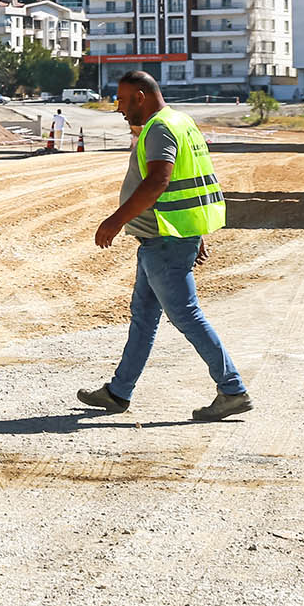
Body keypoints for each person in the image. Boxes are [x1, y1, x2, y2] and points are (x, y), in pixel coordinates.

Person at [76, 70, 252, 422]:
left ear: (140, 96)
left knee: (186, 315)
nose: (120, 109)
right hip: (166, 239)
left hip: (164, 242)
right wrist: (194, 230)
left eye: (123, 101)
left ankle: (232, 389)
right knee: (143, 318)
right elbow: (193, 181)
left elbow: (160, 180)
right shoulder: (180, 121)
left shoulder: (159, 128)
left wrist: (116, 220)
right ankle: (118, 392)